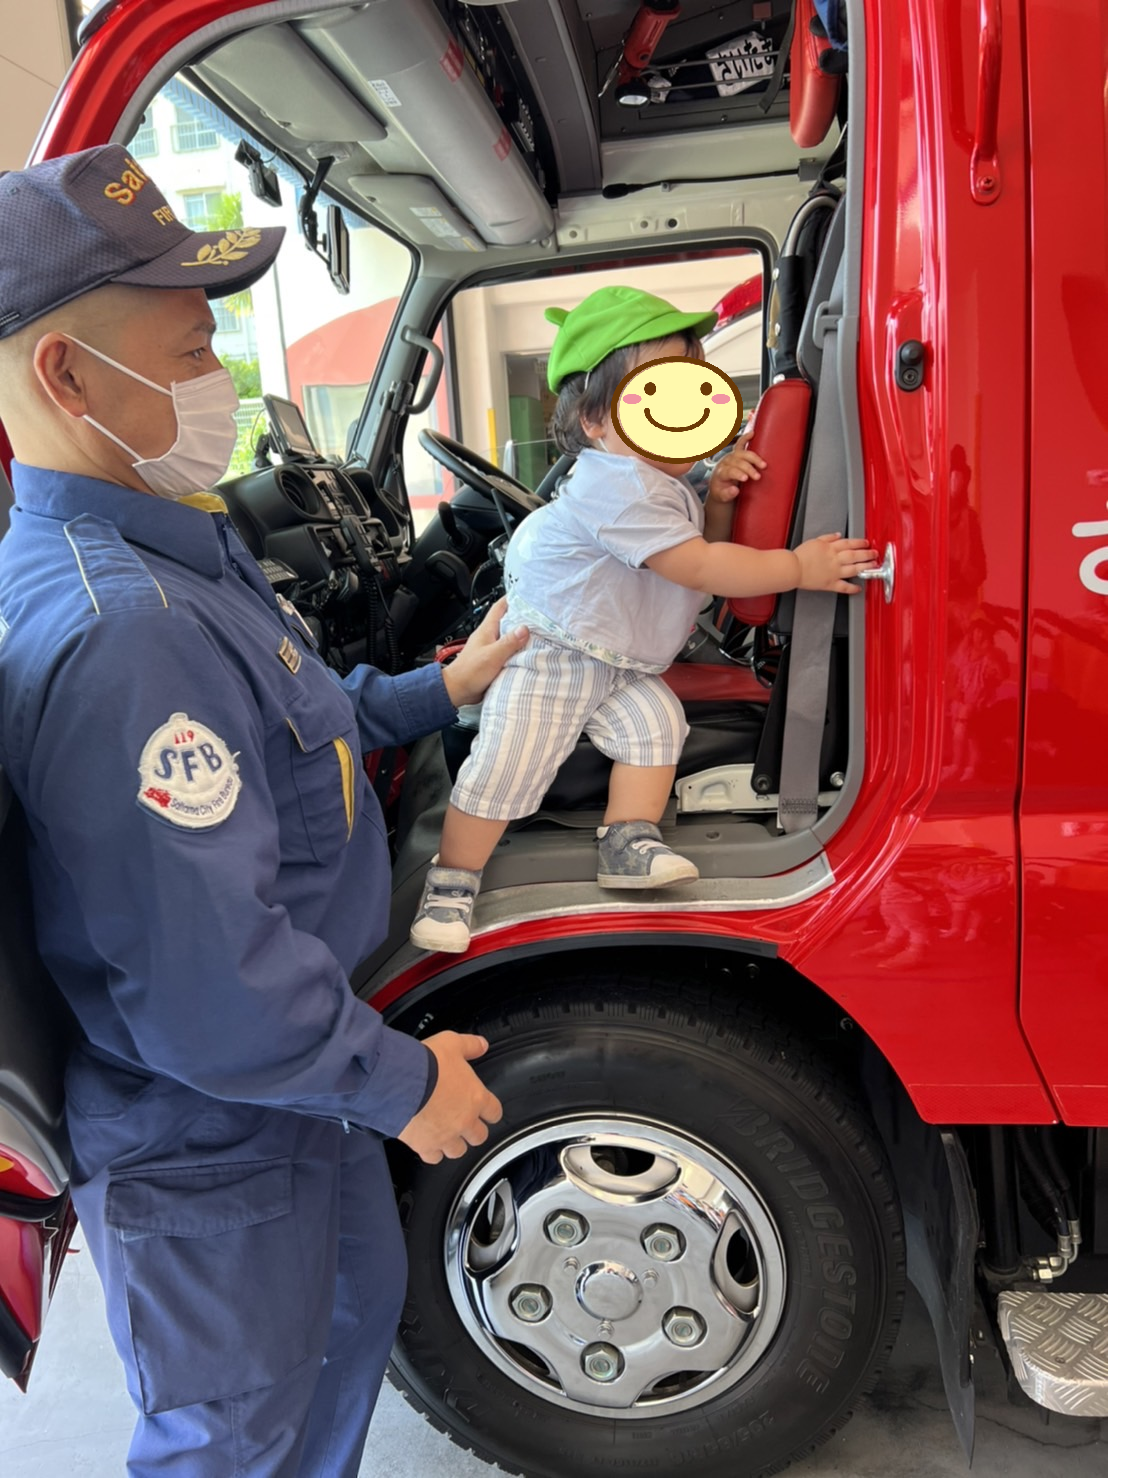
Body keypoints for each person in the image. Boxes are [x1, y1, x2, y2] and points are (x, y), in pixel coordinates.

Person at [0, 146, 528, 1476]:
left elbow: (303, 726)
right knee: (235, 1441)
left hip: (293, 1099)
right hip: (216, 1135)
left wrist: (435, 688)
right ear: (65, 374)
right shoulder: (127, 631)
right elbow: (202, 985)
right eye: (188, 347)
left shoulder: (179, 548)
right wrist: (404, 1086)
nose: (217, 379)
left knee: (322, 1390)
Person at [410, 286, 876, 953]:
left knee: (657, 728)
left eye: (693, 391)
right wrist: (796, 567)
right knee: (506, 766)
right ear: (594, 420)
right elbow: (700, 570)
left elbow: (699, 552)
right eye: (655, 396)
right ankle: (452, 879)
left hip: (619, 662)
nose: (682, 411)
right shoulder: (616, 487)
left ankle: (626, 841)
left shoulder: (657, 486)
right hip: (558, 656)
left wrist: (716, 497)